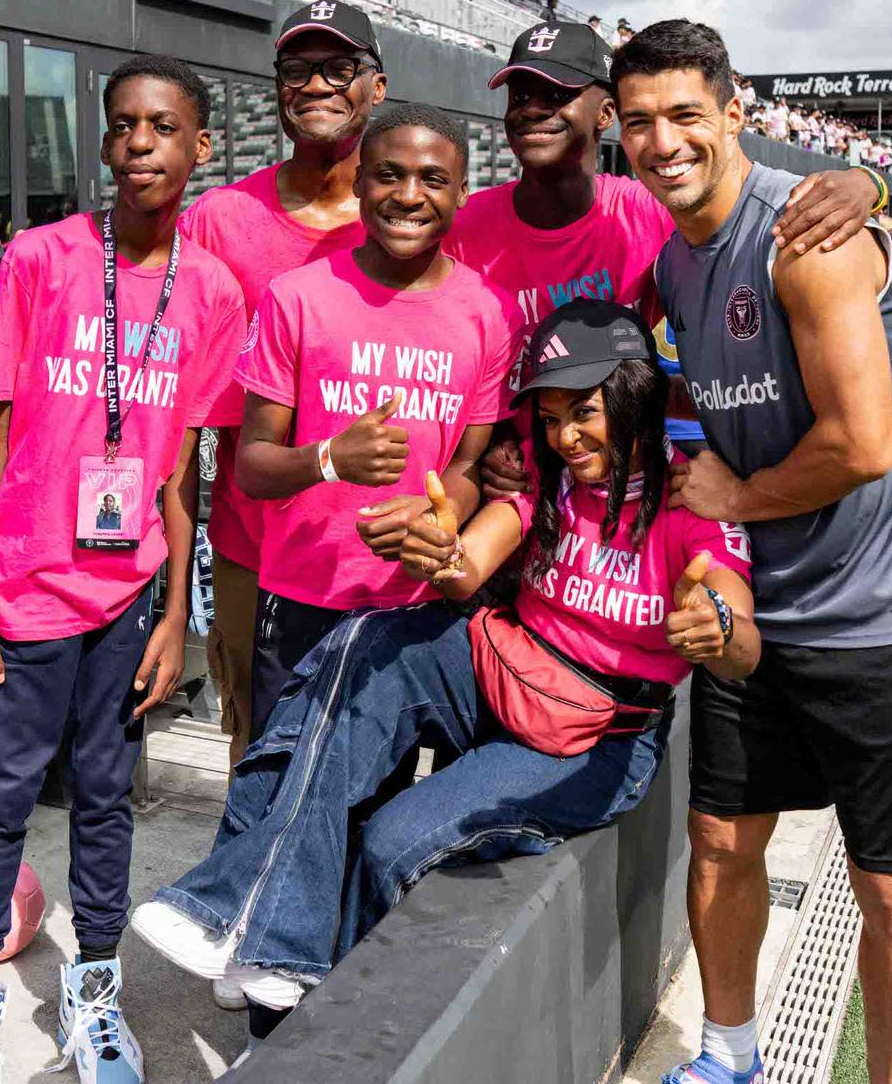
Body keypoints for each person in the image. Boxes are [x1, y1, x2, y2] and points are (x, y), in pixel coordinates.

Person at [130, 299, 759, 1051]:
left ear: (632, 392)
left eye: (584, 412)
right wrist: (437, 552)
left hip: (588, 736)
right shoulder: (547, 475)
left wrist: (716, 627)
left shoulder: (688, 499)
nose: (566, 435)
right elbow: (468, 571)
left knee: (393, 839)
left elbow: (743, 639)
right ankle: (270, 942)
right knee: (361, 647)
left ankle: (310, 1021)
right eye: (552, 416)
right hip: (506, 668)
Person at [613, 21, 892, 1084]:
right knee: (725, 846)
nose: (663, 140)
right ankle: (728, 1056)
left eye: (686, 114)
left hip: (880, 616)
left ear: (736, 112)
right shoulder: (675, 259)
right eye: (640, 122)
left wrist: (740, 492)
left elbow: (861, 444)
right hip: (753, 613)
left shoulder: (805, 237)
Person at [0, 1, 387, 792]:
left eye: (340, 66)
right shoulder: (225, 218)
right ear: (278, 91)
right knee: (257, 749)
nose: (318, 83)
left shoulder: (405, 217)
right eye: (298, 69)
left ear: (377, 85)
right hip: (251, 539)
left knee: (372, 748)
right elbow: (125, 266)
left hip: (372, 540)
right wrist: (14, 279)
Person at [0, 56, 248, 1084]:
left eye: (162, 127)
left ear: (201, 148)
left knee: (108, 802)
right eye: (122, 126)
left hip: (126, 598)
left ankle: (93, 999)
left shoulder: (210, 290)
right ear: (104, 143)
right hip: (23, 592)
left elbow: (182, 468)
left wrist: (174, 615)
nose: (139, 144)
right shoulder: (44, 258)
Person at [456, 20, 887, 502]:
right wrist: (489, 444)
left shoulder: (661, 216)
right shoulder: (462, 227)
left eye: (556, 96)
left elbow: (861, 447)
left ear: (605, 115)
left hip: (626, 498)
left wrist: (868, 182)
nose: (533, 110)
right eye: (520, 96)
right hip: (510, 500)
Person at [225, 102, 522, 736]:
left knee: (377, 807)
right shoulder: (296, 297)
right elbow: (251, 465)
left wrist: (440, 513)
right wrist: (329, 458)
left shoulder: (489, 313)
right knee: (280, 797)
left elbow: (468, 465)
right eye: (388, 175)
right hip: (302, 598)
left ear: (462, 193)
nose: (409, 196)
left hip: (414, 605)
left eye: (433, 180)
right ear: (359, 181)